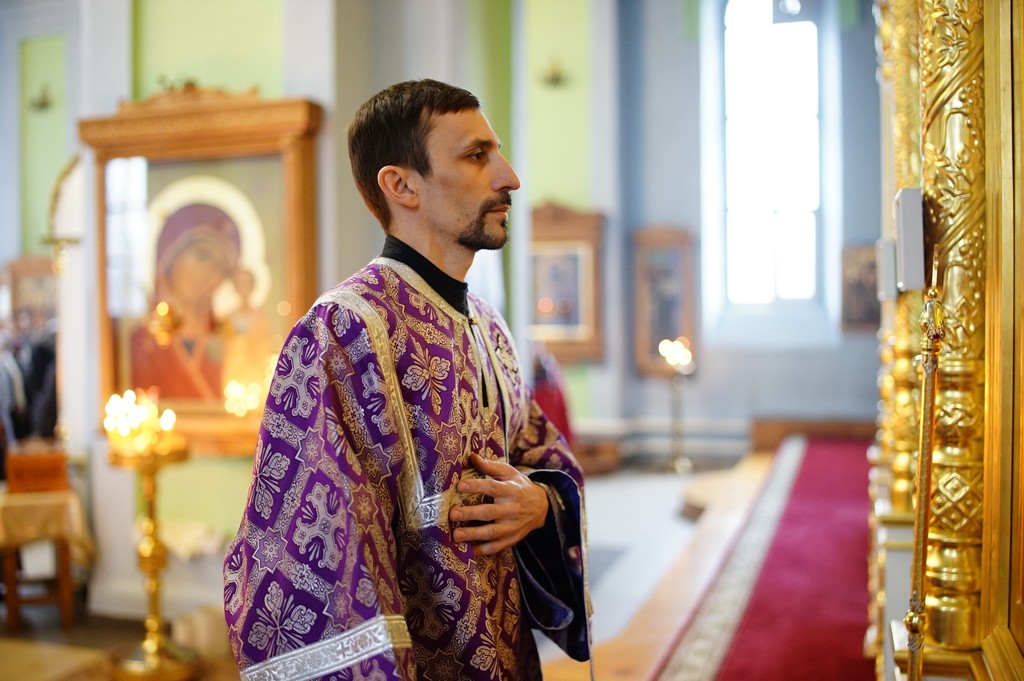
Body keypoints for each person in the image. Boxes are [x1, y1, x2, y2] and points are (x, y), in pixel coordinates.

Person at [223, 79, 591, 680]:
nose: (510, 178)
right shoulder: (341, 332)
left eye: (496, 153)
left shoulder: (489, 327)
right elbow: (323, 563)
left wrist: (541, 503)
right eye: (477, 156)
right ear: (401, 185)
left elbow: (541, 456)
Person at [131, 202, 240, 400]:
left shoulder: (227, 338)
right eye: (202, 256)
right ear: (170, 256)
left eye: (219, 267)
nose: (208, 273)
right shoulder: (142, 341)